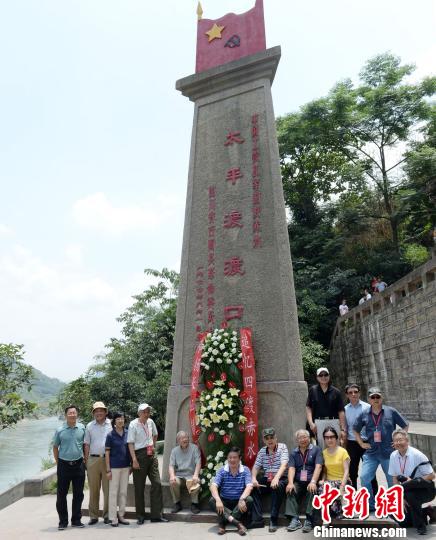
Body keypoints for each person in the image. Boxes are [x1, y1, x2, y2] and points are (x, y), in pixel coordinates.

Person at [353, 387, 409, 512]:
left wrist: (399, 440)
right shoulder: (364, 414)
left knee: (391, 480)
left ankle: (392, 505)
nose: (375, 399)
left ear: (382, 397)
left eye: (378, 396)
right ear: (368, 399)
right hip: (371, 453)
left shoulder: (391, 411)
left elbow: (405, 425)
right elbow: (355, 429)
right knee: (364, 478)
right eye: (373, 397)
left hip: (389, 453)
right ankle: (371, 504)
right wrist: (361, 443)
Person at [389, 429, 435, 536]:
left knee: (411, 494)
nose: (398, 443)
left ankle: (421, 526)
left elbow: (432, 476)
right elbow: (395, 479)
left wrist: (413, 482)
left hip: (425, 489)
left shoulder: (417, 455)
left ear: (407, 440)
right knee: (403, 523)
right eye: (396, 441)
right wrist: (400, 498)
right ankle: (428, 511)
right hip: (407, 490)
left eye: (400, 440)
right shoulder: (393, 456)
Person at [127, 403, 167, 524]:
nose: (146, 413)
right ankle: (140, 515)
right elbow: (130, 443)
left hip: (151, 453)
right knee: (139, 486)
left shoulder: (150, 422)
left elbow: (155, 434)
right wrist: (134, 460)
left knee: (157, 483)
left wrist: (153, 446)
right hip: (139, 455)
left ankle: (156, 515)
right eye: (144, 411)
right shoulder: (133, 424)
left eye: (148, 411)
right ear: (139, 413)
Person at [52, 405, 86, 530]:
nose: (72, 414)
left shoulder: (82, 428)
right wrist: (58, 462)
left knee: (78, 494)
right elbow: (55, 447)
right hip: (63, 465)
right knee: (61, 495)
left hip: (78, 465)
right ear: (66, 415)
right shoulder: (60, 430)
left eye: (74, 412)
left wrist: (85, 459)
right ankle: (63, 521)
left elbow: (85, 444)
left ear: (77, 414)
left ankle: (76, 520)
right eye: (70, 413)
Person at [251, 427, 289, 532]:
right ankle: (257, 519)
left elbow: (284, 464)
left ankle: (273, 520)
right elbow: (256, 467)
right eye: (267, 438)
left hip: (281, 477)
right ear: (264, 440)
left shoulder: (282, 447)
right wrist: (253, 478)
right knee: (252, 488)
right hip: (268, 477)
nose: (269, 440)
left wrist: (276, 478)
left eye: (271, 437)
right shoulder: (262, 451)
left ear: (276, 438)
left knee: (276, 487)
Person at [209, 446, 253, 536]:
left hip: (238, 503)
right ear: (227, 458)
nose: (232, 460)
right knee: (212, 500)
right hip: (224, 501)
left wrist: (241, 499)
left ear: (240, 458)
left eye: (235, 457)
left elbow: (249, 487)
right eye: (230, 457)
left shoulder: (245, 470)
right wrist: (218, 500)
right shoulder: (222, 470)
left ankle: (223, 522)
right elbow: (213, 486)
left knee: (249, 500)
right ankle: (238, 524)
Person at [285, 429, 323, 533]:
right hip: (298, 481)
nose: (303, 440)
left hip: (311, 480)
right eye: (300, 438)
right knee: (290, 490)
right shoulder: (293, 453)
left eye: (305, 437)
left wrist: (314, 481)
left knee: (312, 490)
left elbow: (318, 466)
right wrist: (290, 483)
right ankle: (294, 520)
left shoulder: (316, 450)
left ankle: (309, 520)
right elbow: (291, 468)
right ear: (297, 440)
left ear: (309, 438)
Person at [344, 383, 378, 494]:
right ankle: (353, 495)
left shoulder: (368, 407)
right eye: (350, 392)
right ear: (347, 395)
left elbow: (375, 425)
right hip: (352, 443)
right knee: (352, 471)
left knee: (370, 471)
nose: (353, 394)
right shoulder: (344, 410)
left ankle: (374, 495)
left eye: (355, 392)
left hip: (366, 442)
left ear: (359, 393)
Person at [84, 401, 112, 525]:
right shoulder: (89, 426)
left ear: (105, 412)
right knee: (93, 489)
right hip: (93, 460)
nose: (99, 413)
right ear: (93, 413)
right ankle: (93, 516)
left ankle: (107, 515)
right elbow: (86, 444)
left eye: (101, 410)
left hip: (108, 460)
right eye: (96, 411)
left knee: (108, 489)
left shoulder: (111, 424)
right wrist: (86, 460)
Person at [306, 367, 346, 449]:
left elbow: (341, 411)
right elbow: (308, 408)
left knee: (336, 445)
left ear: (329, 376)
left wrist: (342, 429)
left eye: (325, 375)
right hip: (319, 422)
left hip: (334, 421)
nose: (323, 377)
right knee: (322, 447)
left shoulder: (336, 392)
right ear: (317, 378)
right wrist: (311, 423)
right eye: (321, 375)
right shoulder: (313, 390)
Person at [105, 412, 131, 527]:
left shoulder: (128, 433)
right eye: (118, 419)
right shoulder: (110, 435)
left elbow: (130, 449)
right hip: (114, 468)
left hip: (126, 467)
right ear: (114, 421)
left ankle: (121, 515)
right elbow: (107, 453)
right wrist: (108, 470)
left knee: (123, 492)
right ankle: (112, 517)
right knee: (113, 492)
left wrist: (130, 465)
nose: (120, 420)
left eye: (122, 419)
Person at [318, 426, 350, 519]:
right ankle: (331, 514)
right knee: (322, 489)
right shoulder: (324, 453)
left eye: (332, 437)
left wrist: (342, 486)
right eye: (327, 437)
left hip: (343, 481)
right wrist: (323, 480)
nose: (329, 439)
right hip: (329, 481)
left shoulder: (343, 452)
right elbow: (325, 471)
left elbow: (347, 471)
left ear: (336, 438)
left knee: (334, 491)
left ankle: (340, 511)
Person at [169, 431, 201, 514]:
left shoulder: (194, 448)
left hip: (191, 476)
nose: (184, 439)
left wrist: (196, 475)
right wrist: (172, 476)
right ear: (178, 441)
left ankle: (194, 504)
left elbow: (198, 462)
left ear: (188, 438)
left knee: (196, 482)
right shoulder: (174, 451)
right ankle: (177, 504)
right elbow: (171, 465)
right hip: (179, 476)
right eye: (182, 438)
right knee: (173, 481)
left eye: (186, 437)